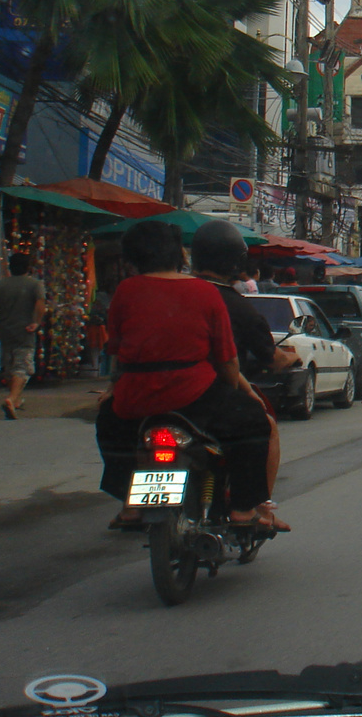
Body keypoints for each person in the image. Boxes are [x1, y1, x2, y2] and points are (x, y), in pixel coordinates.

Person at [95, 220, 278, 532]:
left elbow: (117, 350)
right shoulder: (205, 293)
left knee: (110, 427)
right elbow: (227, 360)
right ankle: (243, 510)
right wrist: (234, 393)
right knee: (254, 425)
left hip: (134, 398)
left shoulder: (125, 292)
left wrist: (113, 389)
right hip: (194, 397)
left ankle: (130, 504)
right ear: (178, 254)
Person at [191, 220, 297, 530]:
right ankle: (251, 506)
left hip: (156, 394)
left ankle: (131, 507)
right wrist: (289, 360)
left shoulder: (175, 295)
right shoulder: (232, 306)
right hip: (212, 394)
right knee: (263, 426)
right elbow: (239, 362)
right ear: (237, 262)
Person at [0, 253, 45, 420]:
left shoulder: (0, 285)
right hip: (25, 332)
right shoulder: (35, 284)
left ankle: (16, 400)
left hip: (5, 331)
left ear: (10, 267)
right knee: (22, 367)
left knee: (9, 367)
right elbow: (40, 303)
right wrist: (36, 322)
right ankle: (11, 399)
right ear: (28, 267)